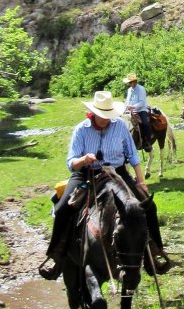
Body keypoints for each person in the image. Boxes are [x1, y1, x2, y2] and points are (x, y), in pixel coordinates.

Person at [38, 90, 170, 280]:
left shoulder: (119, 127)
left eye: (109, 115)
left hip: (118, 172)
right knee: (62, 209)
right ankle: (56, 255)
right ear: (94, 113)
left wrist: (140, 181)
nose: (106, 119)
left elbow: (132, 155)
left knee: (148, 207)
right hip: (87, 173)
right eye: (103, 116)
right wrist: (84, 159)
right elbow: (71, 162)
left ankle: (155, 251)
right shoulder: (81, 129)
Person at [124, 72, 151, 146]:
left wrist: (132, 107)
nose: (129, 84)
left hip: (141, 109)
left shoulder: (141, 89)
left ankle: (148, 141)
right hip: (130, 110)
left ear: (135, 82)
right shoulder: (129, 90)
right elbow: (127, 100)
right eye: (128, 82)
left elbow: (141, 102)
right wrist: (126, 105)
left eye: (130, 82)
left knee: (145, 123)